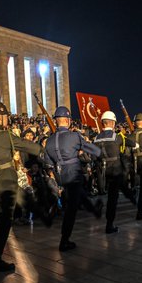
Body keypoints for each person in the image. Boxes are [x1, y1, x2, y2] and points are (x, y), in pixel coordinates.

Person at [0, 101, 43, 271]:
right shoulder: (6, 135)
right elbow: (26, 145)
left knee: (4, 218)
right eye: (6, 116)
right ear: (0, 117)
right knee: (4, 221)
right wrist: (41, 149)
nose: (7, 119)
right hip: (7, 181)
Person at [44, 106, 102, 251]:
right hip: (74, 175)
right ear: (68, 120)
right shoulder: (74, 136)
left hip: (61, 178)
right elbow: (95, 151)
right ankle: (64, 240)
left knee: (73, 202)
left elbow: (48, 163)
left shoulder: (49, 141)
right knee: (71, 210)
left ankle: (94, 208)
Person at [93, 111, 138, 233]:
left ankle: (132, 197)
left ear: (102, 124)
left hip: (104, 172)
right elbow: (131, 143)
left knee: (118, 190)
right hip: (116, 170)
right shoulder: (116, 137)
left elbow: (94, 156)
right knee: (113, 198)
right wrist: (136, 144)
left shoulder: (96, 138)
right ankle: (109, 224)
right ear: (112, 123)